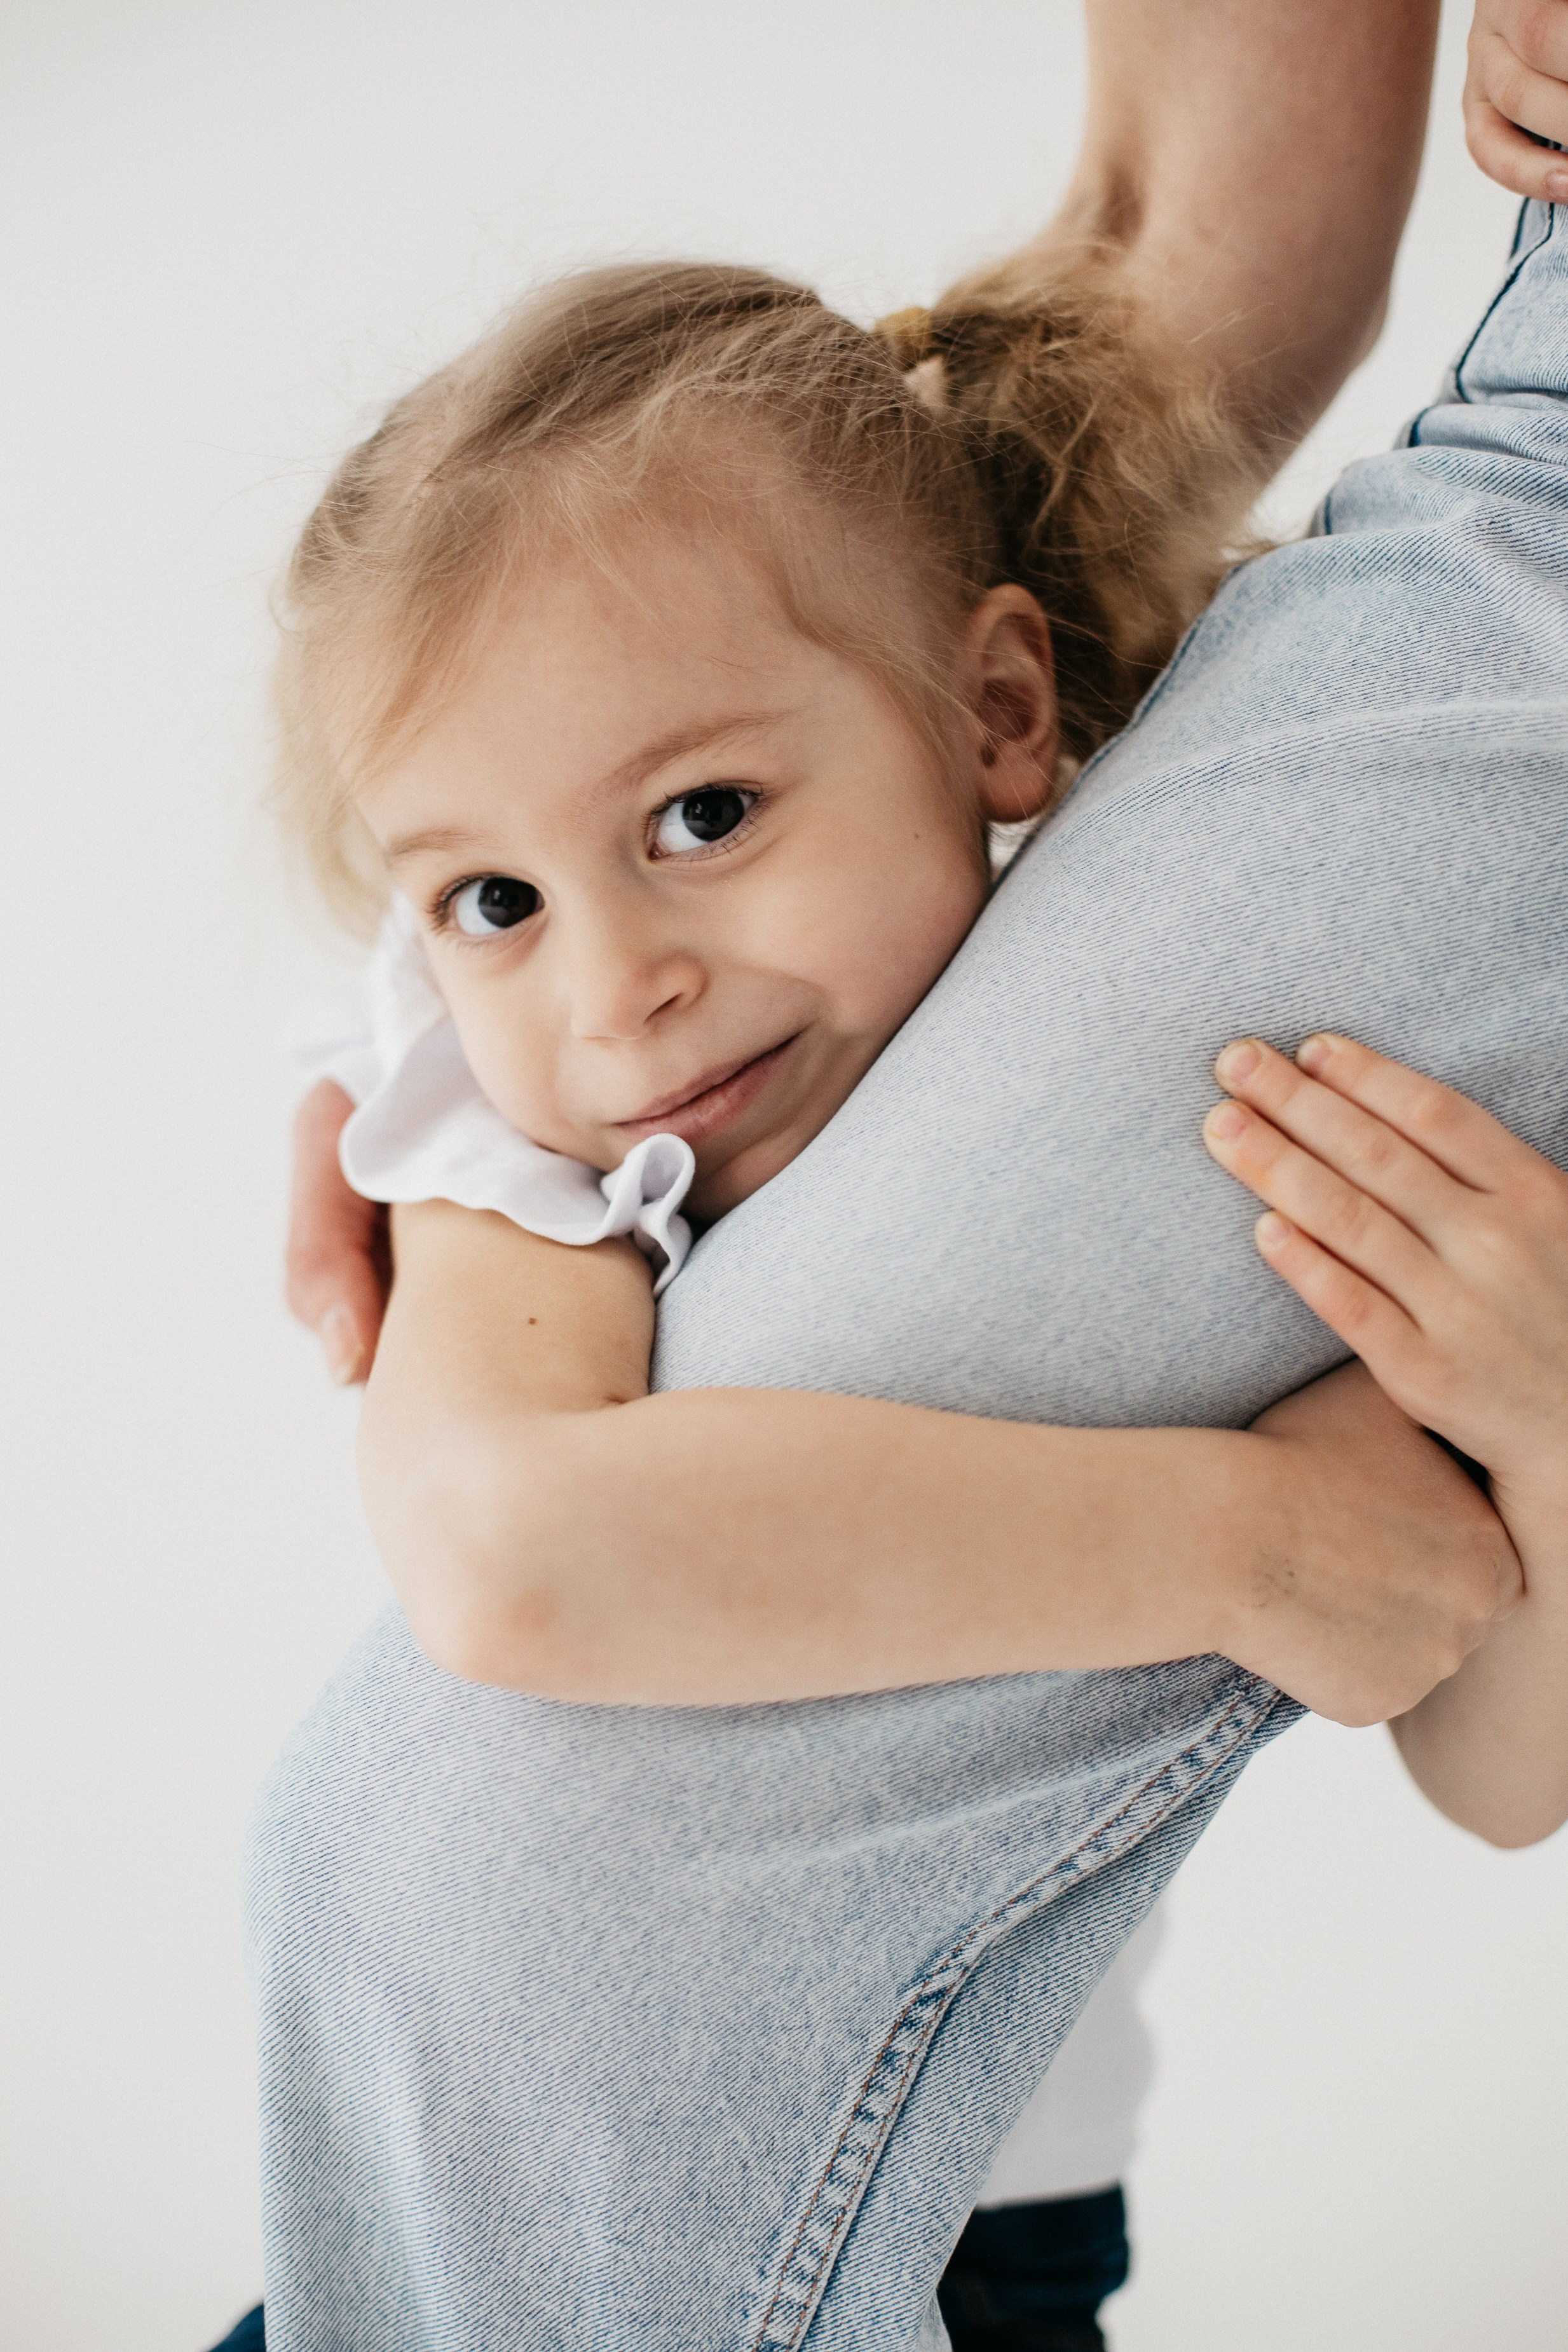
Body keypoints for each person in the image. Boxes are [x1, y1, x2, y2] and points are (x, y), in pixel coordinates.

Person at [247, 4, 1568, 2348]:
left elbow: (1487, 1760)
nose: (620, 990)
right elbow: (505, 1549)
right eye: (489, 900)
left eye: (703, 816)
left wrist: (1550, 1429)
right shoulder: (528, 1162)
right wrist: (1253, 1540)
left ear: (997, 714)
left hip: (964, 2238)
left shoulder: (1202, 1063)